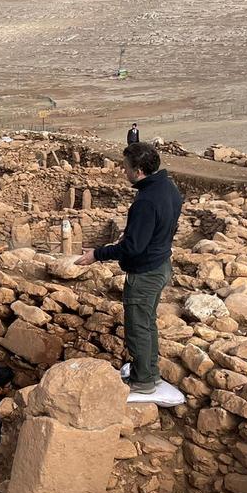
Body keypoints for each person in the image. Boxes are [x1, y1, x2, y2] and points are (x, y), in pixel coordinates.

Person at [77, 141, 181, 394]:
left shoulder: (146, 201)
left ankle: (143, 381)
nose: (124, 172)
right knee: (147, 324)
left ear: (139, 170)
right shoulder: (168, 186)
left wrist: (97, 254)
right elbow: (165, 225)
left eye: (126, 168)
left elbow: (133, 248)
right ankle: (149, 373)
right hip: (161, 263)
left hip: (145, 272)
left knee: (137, 328)